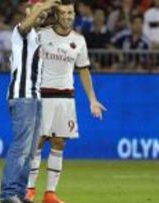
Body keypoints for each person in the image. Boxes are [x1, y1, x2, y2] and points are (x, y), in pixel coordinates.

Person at [24, 1, 106, 203]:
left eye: (71, 12)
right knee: (38, 141)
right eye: (64, 12)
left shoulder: (79, 41)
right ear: (57, 15)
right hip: (43, 96)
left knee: (59, 142)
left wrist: (92, 100)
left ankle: (50, 193)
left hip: (66, 98)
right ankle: (29, 189)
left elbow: (84, 70)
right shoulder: (42, 35)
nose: (68, 16)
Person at [0, 1, 60, 202]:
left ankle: (19, 192)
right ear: (27, 11)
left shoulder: (36, 37)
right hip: (22, 96)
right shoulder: (20, 31)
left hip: (34, 97)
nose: (43, 14)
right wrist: (45, 5)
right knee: (21, 148)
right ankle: (8, 193)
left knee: (30, 151)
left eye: (45, 11)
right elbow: (26, 25)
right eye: (37, 8)